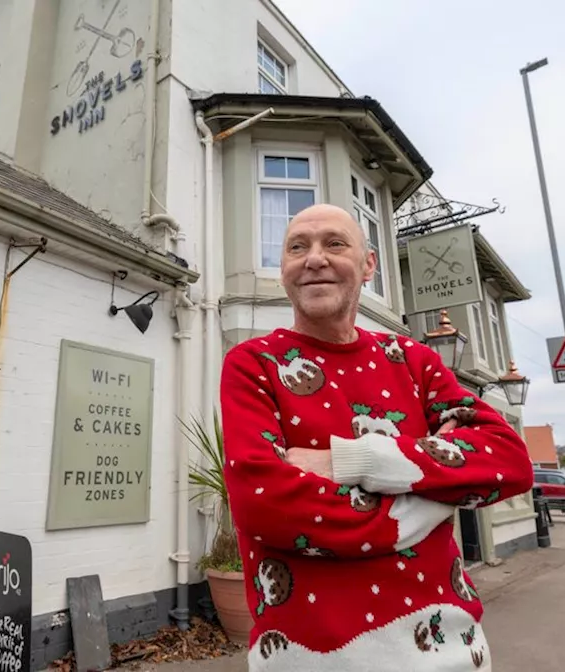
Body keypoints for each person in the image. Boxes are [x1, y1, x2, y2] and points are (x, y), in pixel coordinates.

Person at [219, 204, 533, 670]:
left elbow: (507, 459)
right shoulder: (254, 363)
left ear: (369, 266)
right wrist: (435, 496)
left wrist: (354, 460)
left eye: (335, 243)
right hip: (313, 657)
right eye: (297, 247)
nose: (314, 258)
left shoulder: (414, 361)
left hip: (452, 648)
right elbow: (264, 504)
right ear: (283, 269)